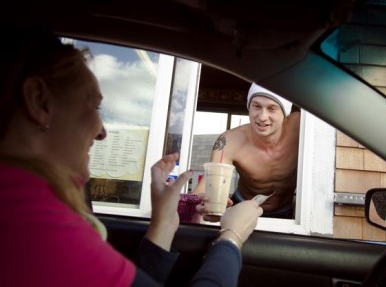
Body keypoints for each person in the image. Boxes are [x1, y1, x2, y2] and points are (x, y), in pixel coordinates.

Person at [0, 24, 263, 286]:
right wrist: (231, 238)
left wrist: (163, 221)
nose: (101, 131)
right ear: (39, 101)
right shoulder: (33, 225)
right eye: (93, 105)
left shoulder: (22, 204)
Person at [193, 83, 301, 219]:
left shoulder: (301, 127)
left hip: (285, 212)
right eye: (256, 106)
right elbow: (205, 188)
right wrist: (202, 205)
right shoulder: (230, 141)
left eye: (272, 109)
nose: (262, 117)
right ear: (249, 107)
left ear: (285, 113)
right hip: (243, 207)